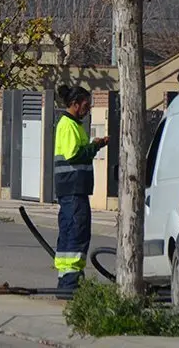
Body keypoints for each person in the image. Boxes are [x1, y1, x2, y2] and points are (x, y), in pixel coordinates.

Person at [54, 84, 108, 293]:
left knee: (73, 232)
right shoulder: (68, 125)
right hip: (72, 189)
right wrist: (95, 146)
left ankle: (69, 278)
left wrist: (95, 145)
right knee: (76, 232)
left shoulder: (74, 125)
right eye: (86, 105)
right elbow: (73, 155)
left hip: (75, 189)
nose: (88, 109)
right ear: (75, 104)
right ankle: (70, 281)